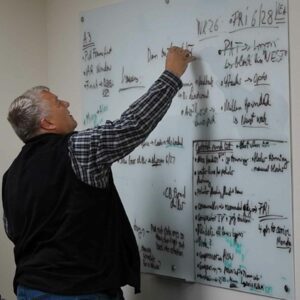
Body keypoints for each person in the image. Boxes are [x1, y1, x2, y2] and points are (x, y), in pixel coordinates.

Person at [2, 47, 194, 300]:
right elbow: (132, 126)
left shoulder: (11, 175)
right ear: (47, 123)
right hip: (77, 292)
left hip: (30, 289)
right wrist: (171, 75)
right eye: (58, 102)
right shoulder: (76, 148)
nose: (66, 103)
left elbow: (13, 231)